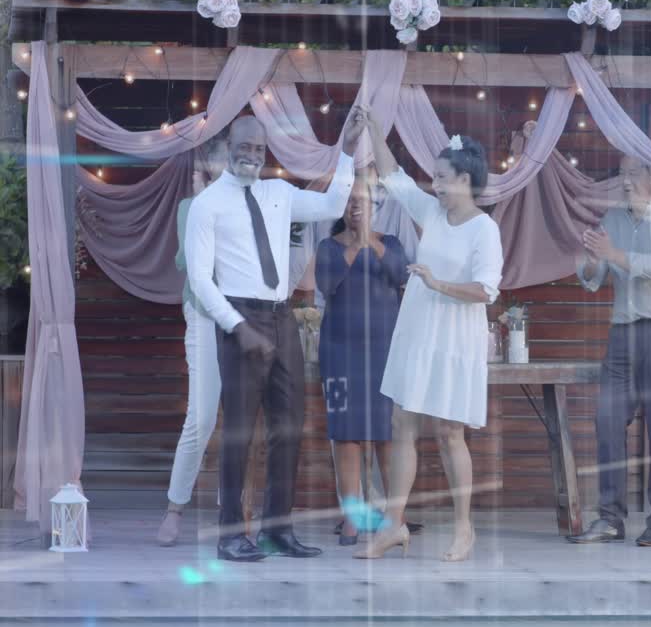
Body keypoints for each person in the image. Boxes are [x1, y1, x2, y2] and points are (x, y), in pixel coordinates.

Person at [185, 108, 365, 562]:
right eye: (243, 147)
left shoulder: (279, 193)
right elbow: (201, 279)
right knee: (240, 432)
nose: (251, 155)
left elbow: (330, 207)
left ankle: (276, 531)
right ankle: (230, 535)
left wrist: (344, 153)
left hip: (281, 316)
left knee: (289, 427)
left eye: (258, 149)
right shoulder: (208, 204)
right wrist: (237, 326)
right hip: (239, 318)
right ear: (227, 149)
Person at [358, 117, 504, 562]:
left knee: (448, 432)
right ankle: (393, 526)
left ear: (464, 180)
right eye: (435, 178)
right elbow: (394, 178)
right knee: (402, 423)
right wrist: (373, 130)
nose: (435, 185)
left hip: (456, 336)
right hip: (419, 330)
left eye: (442, 178)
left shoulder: (484, 229)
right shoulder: (431, 214)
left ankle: (464, 529)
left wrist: (438, 284)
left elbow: (486, 290)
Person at [568, 155, 651, 547]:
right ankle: (609, 518)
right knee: (606, 421)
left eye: (633, 173)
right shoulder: (614, 220)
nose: (624, 181)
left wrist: (614, 255)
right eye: (620, 173)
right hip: (622, 332)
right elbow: (592, 279)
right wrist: (589, 260)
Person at [314, 175, 410, 545]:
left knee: (388, 436)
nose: (357, 206)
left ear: (375, 207)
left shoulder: (391, 244)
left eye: (364, 200)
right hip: (339, 356)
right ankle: (351, 519)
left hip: (385, 356)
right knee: (346, 437)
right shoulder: (328, 246)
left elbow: (399, 273)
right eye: (351, 201)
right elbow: (328, 284)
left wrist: (369, 238)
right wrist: (355, 243)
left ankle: (394, 518)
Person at [156, 135, 229, 547]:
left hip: (242, 318)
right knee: (201, 416)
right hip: (202, 314)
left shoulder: (250, 207)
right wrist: (202, 207)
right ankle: (175, 507)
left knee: (239, 420)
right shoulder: (192, 206)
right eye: (224, 161)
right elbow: (185, 261)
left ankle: (232, 511)